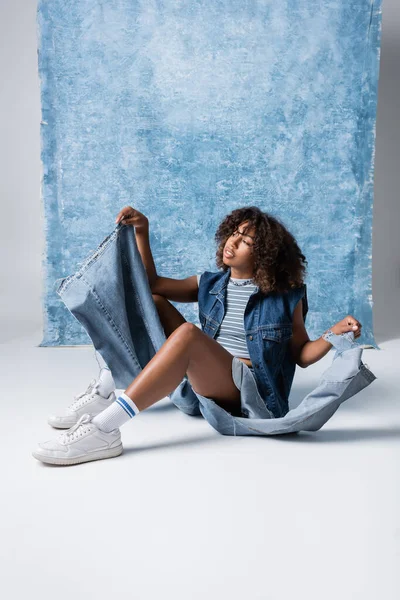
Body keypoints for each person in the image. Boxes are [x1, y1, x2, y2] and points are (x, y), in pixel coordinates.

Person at [32, 205, 372, 466]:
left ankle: (106, 429)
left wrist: (331, 335)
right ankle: (107, 389)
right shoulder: (209, 283)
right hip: (203, 388)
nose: (232, 244)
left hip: (248, 394)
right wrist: (142, 232)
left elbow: (301, 354)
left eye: (246, 242)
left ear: (264, 254)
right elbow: (149, 284)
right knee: (152, 302)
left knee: (188, 336)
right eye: (233, 235)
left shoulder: (286, 295)